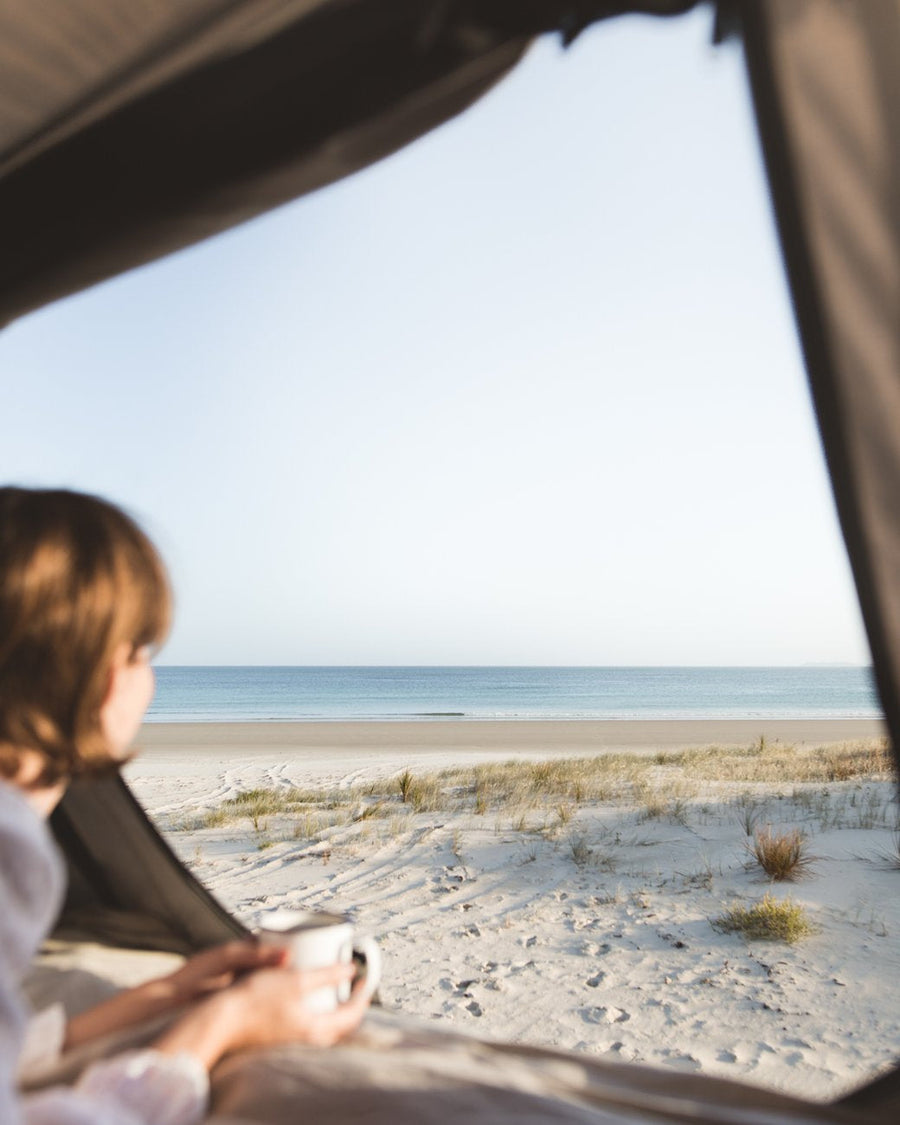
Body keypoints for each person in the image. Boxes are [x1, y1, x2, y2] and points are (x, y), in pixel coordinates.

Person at [0, 486, 373, 1125]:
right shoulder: (11, 850)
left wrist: (167, 994)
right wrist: (222, 1024)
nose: (150, 677)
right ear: (85, 668)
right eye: (141, 651)